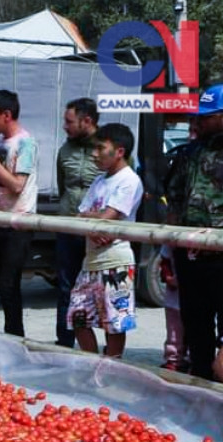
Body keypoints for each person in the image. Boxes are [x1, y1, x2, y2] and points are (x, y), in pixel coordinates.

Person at [67, 123, 143, 358]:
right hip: (90, 260)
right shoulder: (99, 181)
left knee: (115, 322)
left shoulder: (129, 180)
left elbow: (108, 218)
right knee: (78, 316)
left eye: (101, 148)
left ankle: (113, 367)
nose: (95, 154)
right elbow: (82, 215)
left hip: (116, 261)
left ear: (119, 151)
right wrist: (93, 222)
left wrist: (93, 220)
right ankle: (92, 365)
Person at [165, 84, 223, 381]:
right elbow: (174, 203)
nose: (198, 122)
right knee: (196, 328)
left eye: (207, 117)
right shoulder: (188, 155)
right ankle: (200, 393)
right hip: (191, 258)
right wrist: (171, 252)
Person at [0, 89, 38, 338]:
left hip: (18, 221)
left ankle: (15, 336)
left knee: (8, 283)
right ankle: (12, 335)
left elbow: (16, 185)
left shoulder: (26, 143)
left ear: (7, 115)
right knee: (4, 285)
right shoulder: (0, 144)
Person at [55, 98, 101, 348]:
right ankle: (64, 343)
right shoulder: (65, 149)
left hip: (97, 233)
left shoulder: (107, 147)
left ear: (88, 121)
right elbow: (63, 186)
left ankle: (100, 350)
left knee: (97, 292)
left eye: (69, 121)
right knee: (65, 288)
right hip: (67, 226)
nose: (65, 126)